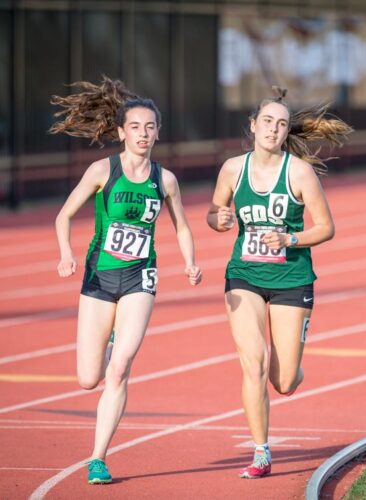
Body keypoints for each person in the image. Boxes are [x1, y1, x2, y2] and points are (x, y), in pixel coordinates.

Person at [51, 77, 202, 484]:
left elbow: (183, 227)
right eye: (135, 126)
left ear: (158, 133)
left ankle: (98, 457)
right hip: (100, 278)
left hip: (141, 278)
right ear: (121, 132)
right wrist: (66, 253)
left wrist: (190, 262)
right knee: (88, 379)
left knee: (118, 372)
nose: (143, 134)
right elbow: (63, 215)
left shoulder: (164, 179)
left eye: (150, 127)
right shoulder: (103, 170)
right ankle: (111, 343)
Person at [207, 87, 352, 478]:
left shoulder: (299, 172)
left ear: (287, 132)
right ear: (253, 126)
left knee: (283, 380)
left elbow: (326, 228)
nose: (273, 129)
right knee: (252, 365)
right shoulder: (233, 169)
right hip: (244, 275)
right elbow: (215, 211)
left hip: (292, 276)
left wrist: (290, 238)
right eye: (267, 121)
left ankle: (293, 363)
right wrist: (218, 220)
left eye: (281, 123)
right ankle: (260, 452)